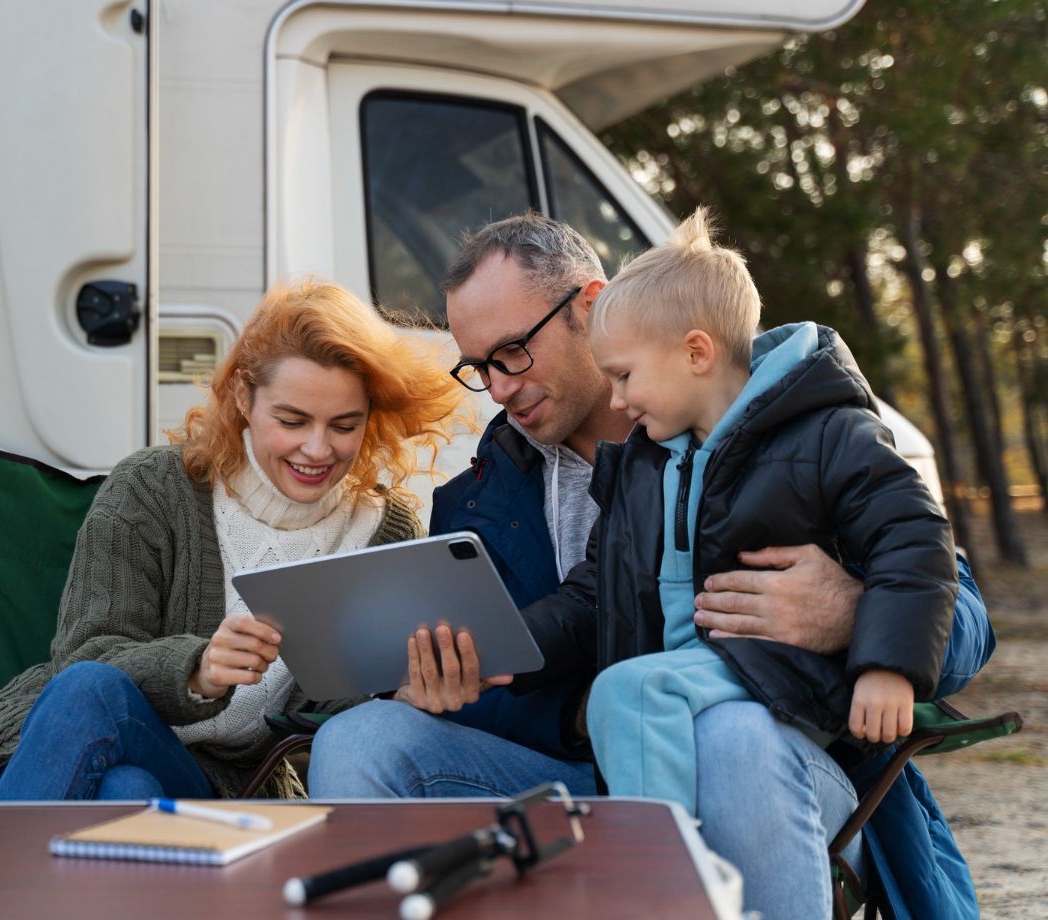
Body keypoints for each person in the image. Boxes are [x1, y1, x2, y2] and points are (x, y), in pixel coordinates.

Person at [307, 212, 994, 919]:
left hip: (770, 767)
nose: (499, 388)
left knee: (728, 734)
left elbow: (958, 608)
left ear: (590, 304)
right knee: (359, 739)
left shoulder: (790, 425)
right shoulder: (479, 498)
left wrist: (851, 615)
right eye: (479, 367)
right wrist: (466, 677)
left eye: (511, 352)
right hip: (575, 779)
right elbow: (568, 618)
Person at [0, 279, 467, 802]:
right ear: (242, 396)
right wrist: (199, 670)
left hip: (210, 779)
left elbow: (344, 714)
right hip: (54, 742)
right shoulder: (153, 487)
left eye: (344, 425)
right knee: (112, 751)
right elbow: (84, 658)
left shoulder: (383, 530)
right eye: (292, 419)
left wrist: (403, 695)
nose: (317, 448)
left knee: (134, 786)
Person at [529, 208, 957, 818]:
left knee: (627, 693)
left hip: (790, 681)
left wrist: (888, 667)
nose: (617, 401)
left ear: (696, 352)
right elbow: (596, 586)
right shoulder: (649, 464)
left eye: (624, 376)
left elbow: (913, 537)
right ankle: (696, 866)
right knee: (632, 694)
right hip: (702, 679)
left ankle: (666, 883)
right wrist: (514, 644)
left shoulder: (827, 432)